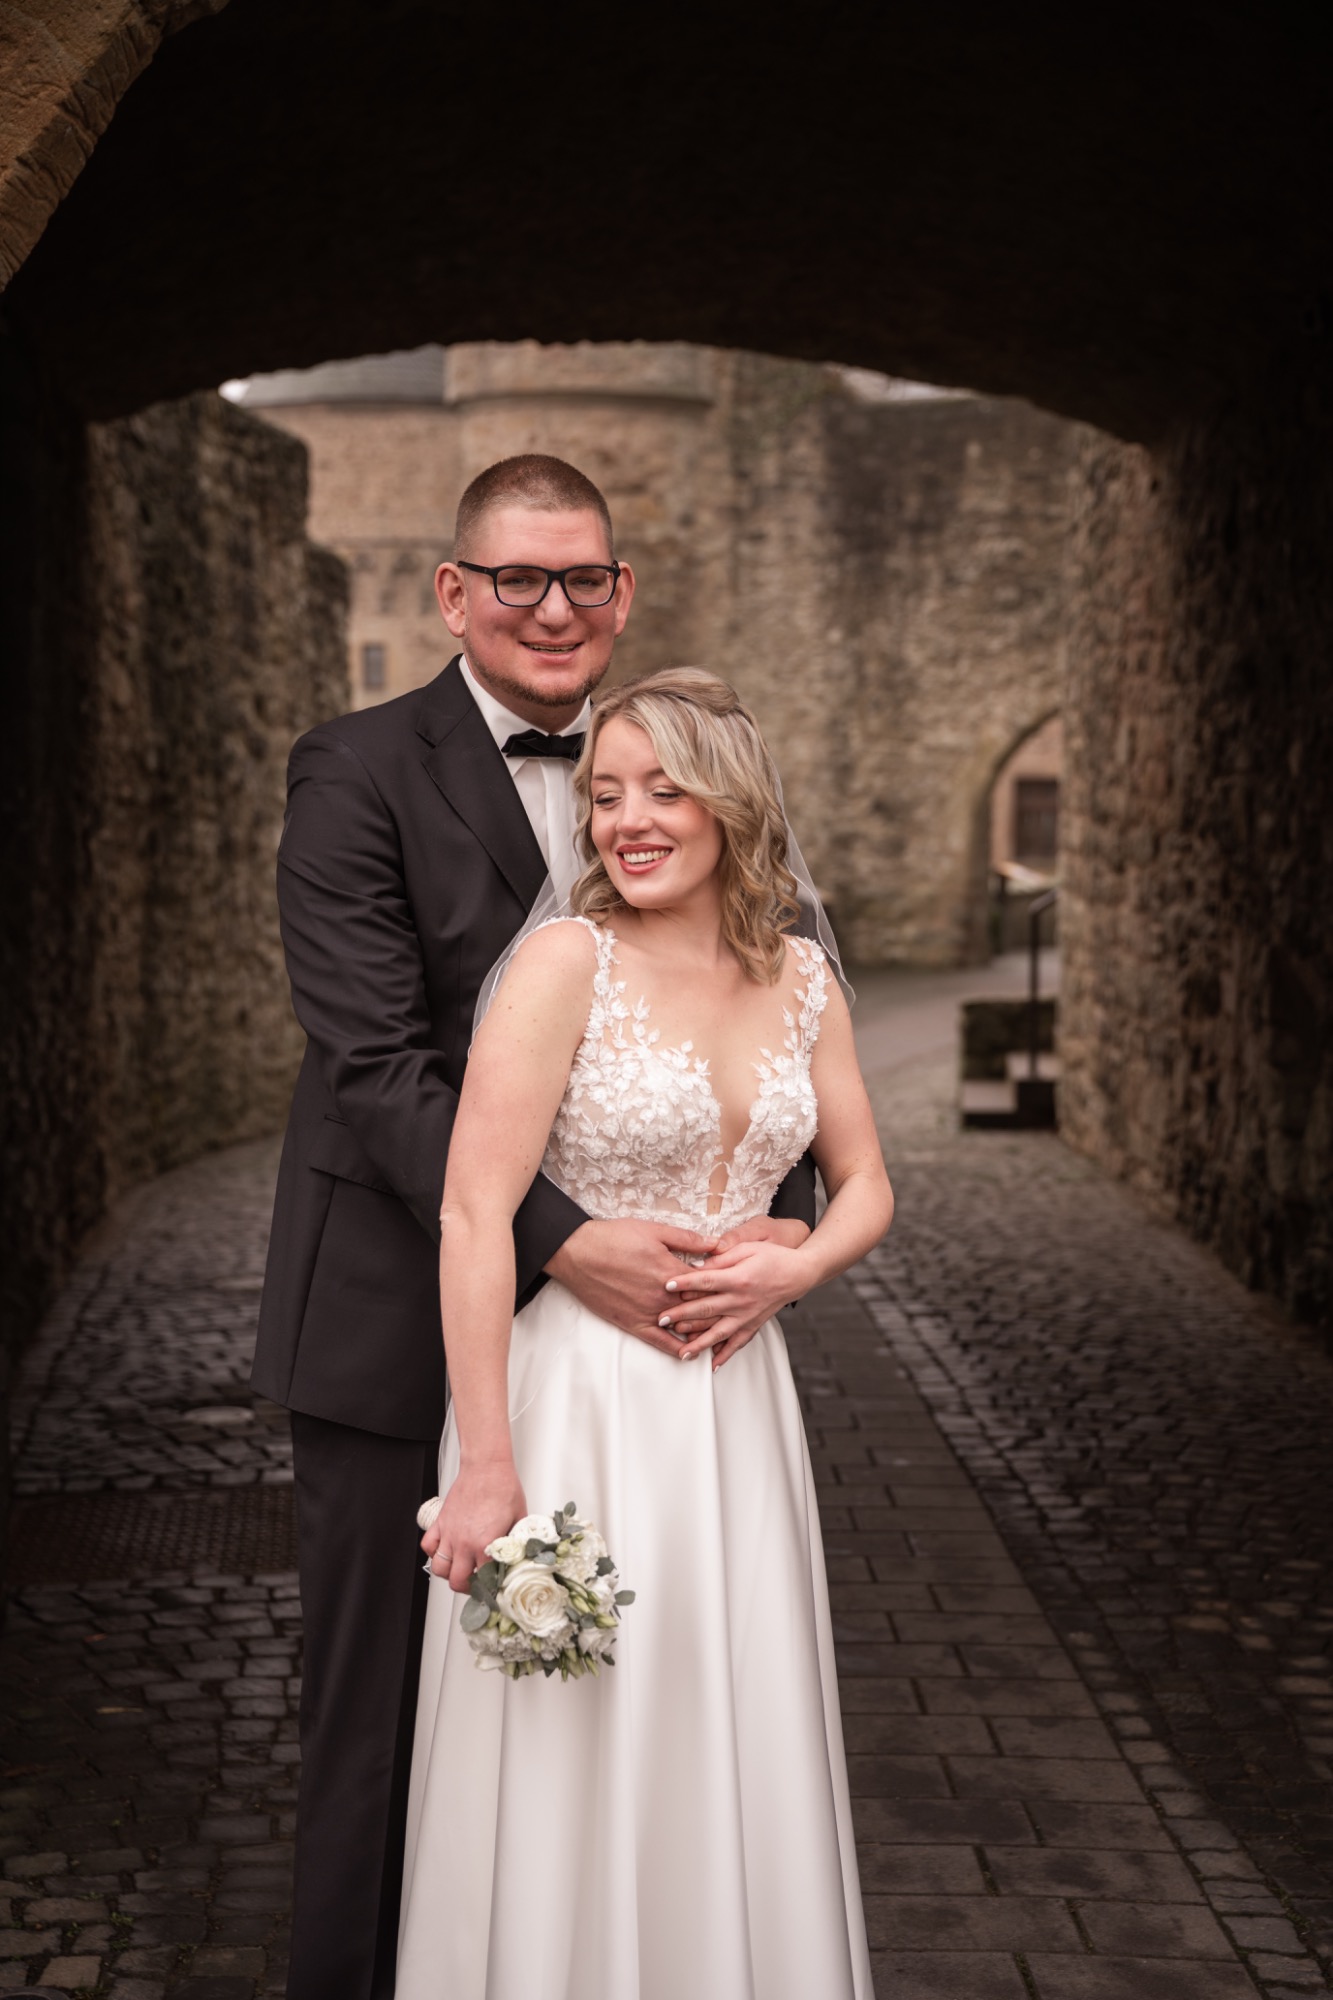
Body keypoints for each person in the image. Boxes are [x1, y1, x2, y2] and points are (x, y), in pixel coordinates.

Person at [251, 459, 816, 1999]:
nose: (552, 608)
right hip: (391, 1319)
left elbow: (765, 986)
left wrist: (771, 1223)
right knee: (379, 1723)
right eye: (517, 578)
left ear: (621, 593)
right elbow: (376, 1067)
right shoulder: (355, 769)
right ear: (453, 593)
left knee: (630, 1700)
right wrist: (566, 1238)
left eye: (582, 579)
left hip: (638, 1368)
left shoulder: (672, 765)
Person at [400, 669, 892, 1999]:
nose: (626, 820)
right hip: (581, 1402)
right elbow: (471, 1214)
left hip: (737, 1406)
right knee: (578, 1721)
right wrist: (484, 1466)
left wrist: (794, 1266)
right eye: (607, 794)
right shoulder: (567, 963)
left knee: (725, 1704)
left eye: (663, 791)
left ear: (729, 801)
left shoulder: (801, 975)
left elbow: (864, 1183)